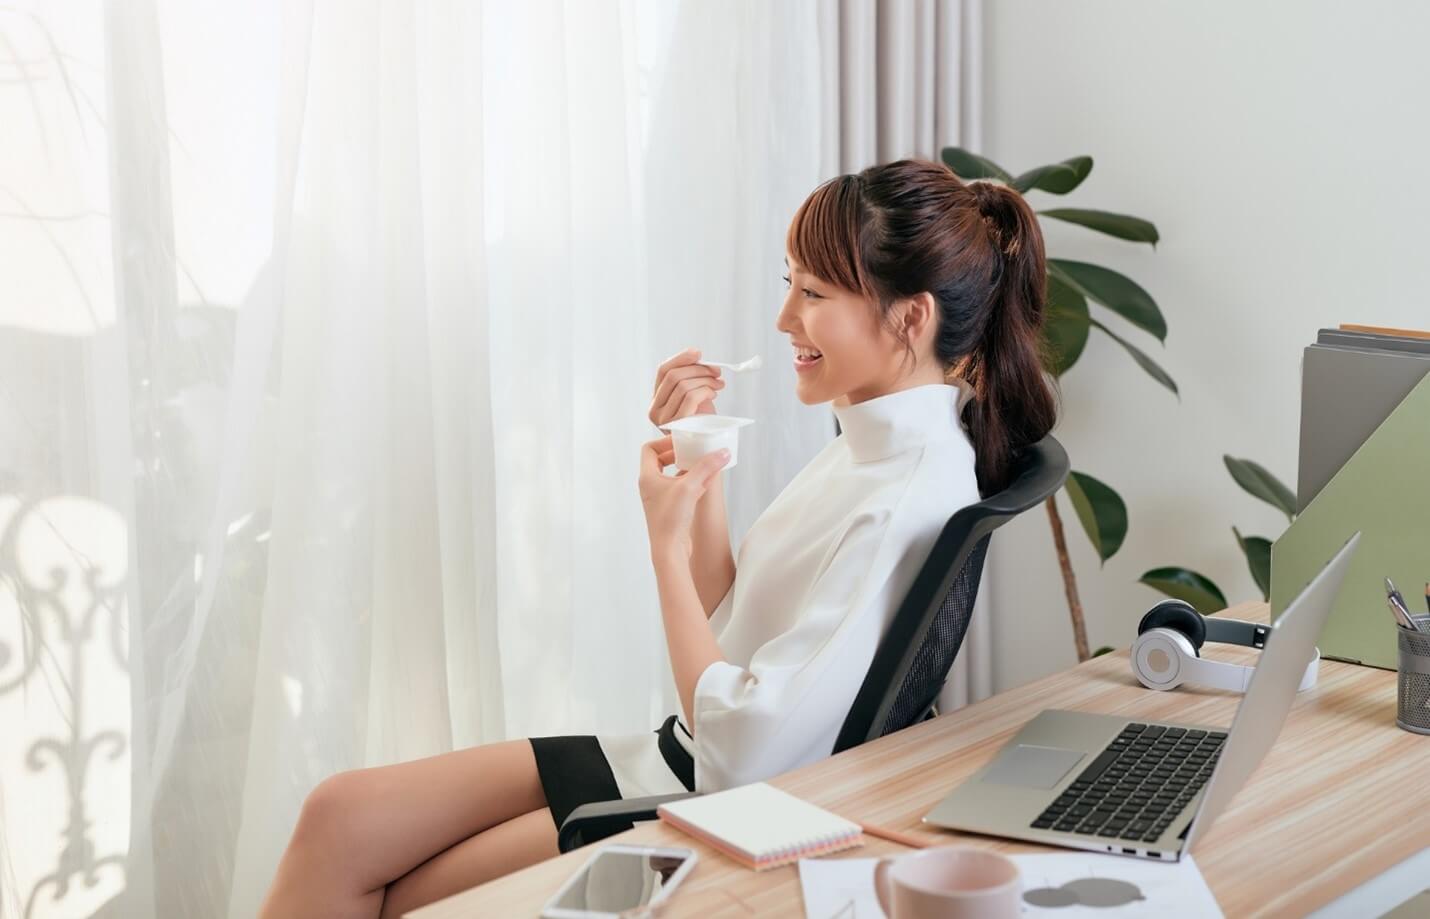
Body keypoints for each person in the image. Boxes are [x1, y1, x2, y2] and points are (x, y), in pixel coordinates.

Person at [259, 158, 1058, 918]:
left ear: (910, 316)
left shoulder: (898, 491)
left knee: (401, 898)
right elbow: (733, 617)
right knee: (340, 814)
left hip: (695, 795)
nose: (785, 318)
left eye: (812, 292)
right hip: (670, 753)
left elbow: (743, 753)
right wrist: (695, 457)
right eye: (789, 285)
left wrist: (664, 550)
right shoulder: (874, 445)